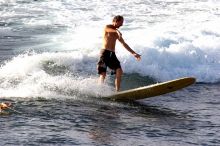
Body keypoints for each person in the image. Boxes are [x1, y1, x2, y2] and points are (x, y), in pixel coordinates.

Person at [97, 15, 141, 91]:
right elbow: (109, 29)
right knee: (103, 74)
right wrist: (117, 31)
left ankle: (117, 91)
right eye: (121, 22)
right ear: (115, 21)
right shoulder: (107, 27)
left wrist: (134, 53)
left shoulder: (117, 33)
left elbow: (124, 44)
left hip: (112, 55)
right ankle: (99, 90)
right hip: (104, 53)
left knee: (119, 71)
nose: (122, 25)